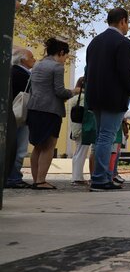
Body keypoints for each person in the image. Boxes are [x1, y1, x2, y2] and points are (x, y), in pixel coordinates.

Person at [85, 7, 130, 191]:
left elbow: (88, 70)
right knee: (107, 138)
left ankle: (104, 176)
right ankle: (100, 179)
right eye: (128, 22)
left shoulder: (94, 42)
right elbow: (126, 70)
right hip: (114, 97)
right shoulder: (123, 42)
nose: (128, 26)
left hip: (95, 96)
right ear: (123, 21)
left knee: (100, 137)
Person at [26, 38, 79, 190]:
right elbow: (60, 91)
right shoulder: (57, 67)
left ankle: (36, 180)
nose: (65, 60)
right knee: (49, 146)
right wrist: (74, 91)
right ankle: (41, 181)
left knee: (37, 146)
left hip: (34, 108)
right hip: (50, 110)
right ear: (61, 52)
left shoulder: (38, 65)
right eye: (66, 56)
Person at [5, 47, 36, 189]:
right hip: (20, 114)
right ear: (23, 60)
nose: (34, 60)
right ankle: (14, 177)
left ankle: (10, 176)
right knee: (20, 148)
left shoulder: (11, 72)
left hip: (11, 114)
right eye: (31, 57)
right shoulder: (23, 75)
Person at [69, 77, 90, 185]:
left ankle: (77, 176)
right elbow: (86, 114)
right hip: (83, 127)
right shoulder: (83, 97)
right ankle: (77, 177)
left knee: (78, 152)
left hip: (75, 126)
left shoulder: (75, 97)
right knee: (81, 152)